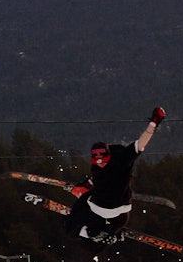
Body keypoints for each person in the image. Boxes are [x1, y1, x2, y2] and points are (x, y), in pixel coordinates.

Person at [66, 106, 166, 254]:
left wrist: (153, 124)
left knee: (70, 226)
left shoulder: (113, 162)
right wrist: (154, 123)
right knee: (92, 242)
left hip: (98, 209)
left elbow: (141, 143)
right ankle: (112, 233)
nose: (101, 164)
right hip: (121, 214)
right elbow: (140, 144)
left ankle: (94, 233)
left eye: (102, 161)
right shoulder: (118, 159)